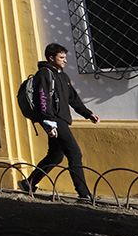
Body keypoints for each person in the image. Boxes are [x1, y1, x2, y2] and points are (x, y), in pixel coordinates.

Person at [19, 43, 100, 201]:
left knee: (55, 156)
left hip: (61, 119)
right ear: (51, 58)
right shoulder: (44, 74)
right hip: (54, 119)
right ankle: (83, 193)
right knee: (74, 153)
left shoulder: (63, 76)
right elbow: (43, 99)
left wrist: (88, 114)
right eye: (61, 57)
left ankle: (28, 183)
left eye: (65, 57)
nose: (65, 61)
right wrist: (49, 123)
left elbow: (73, 98)